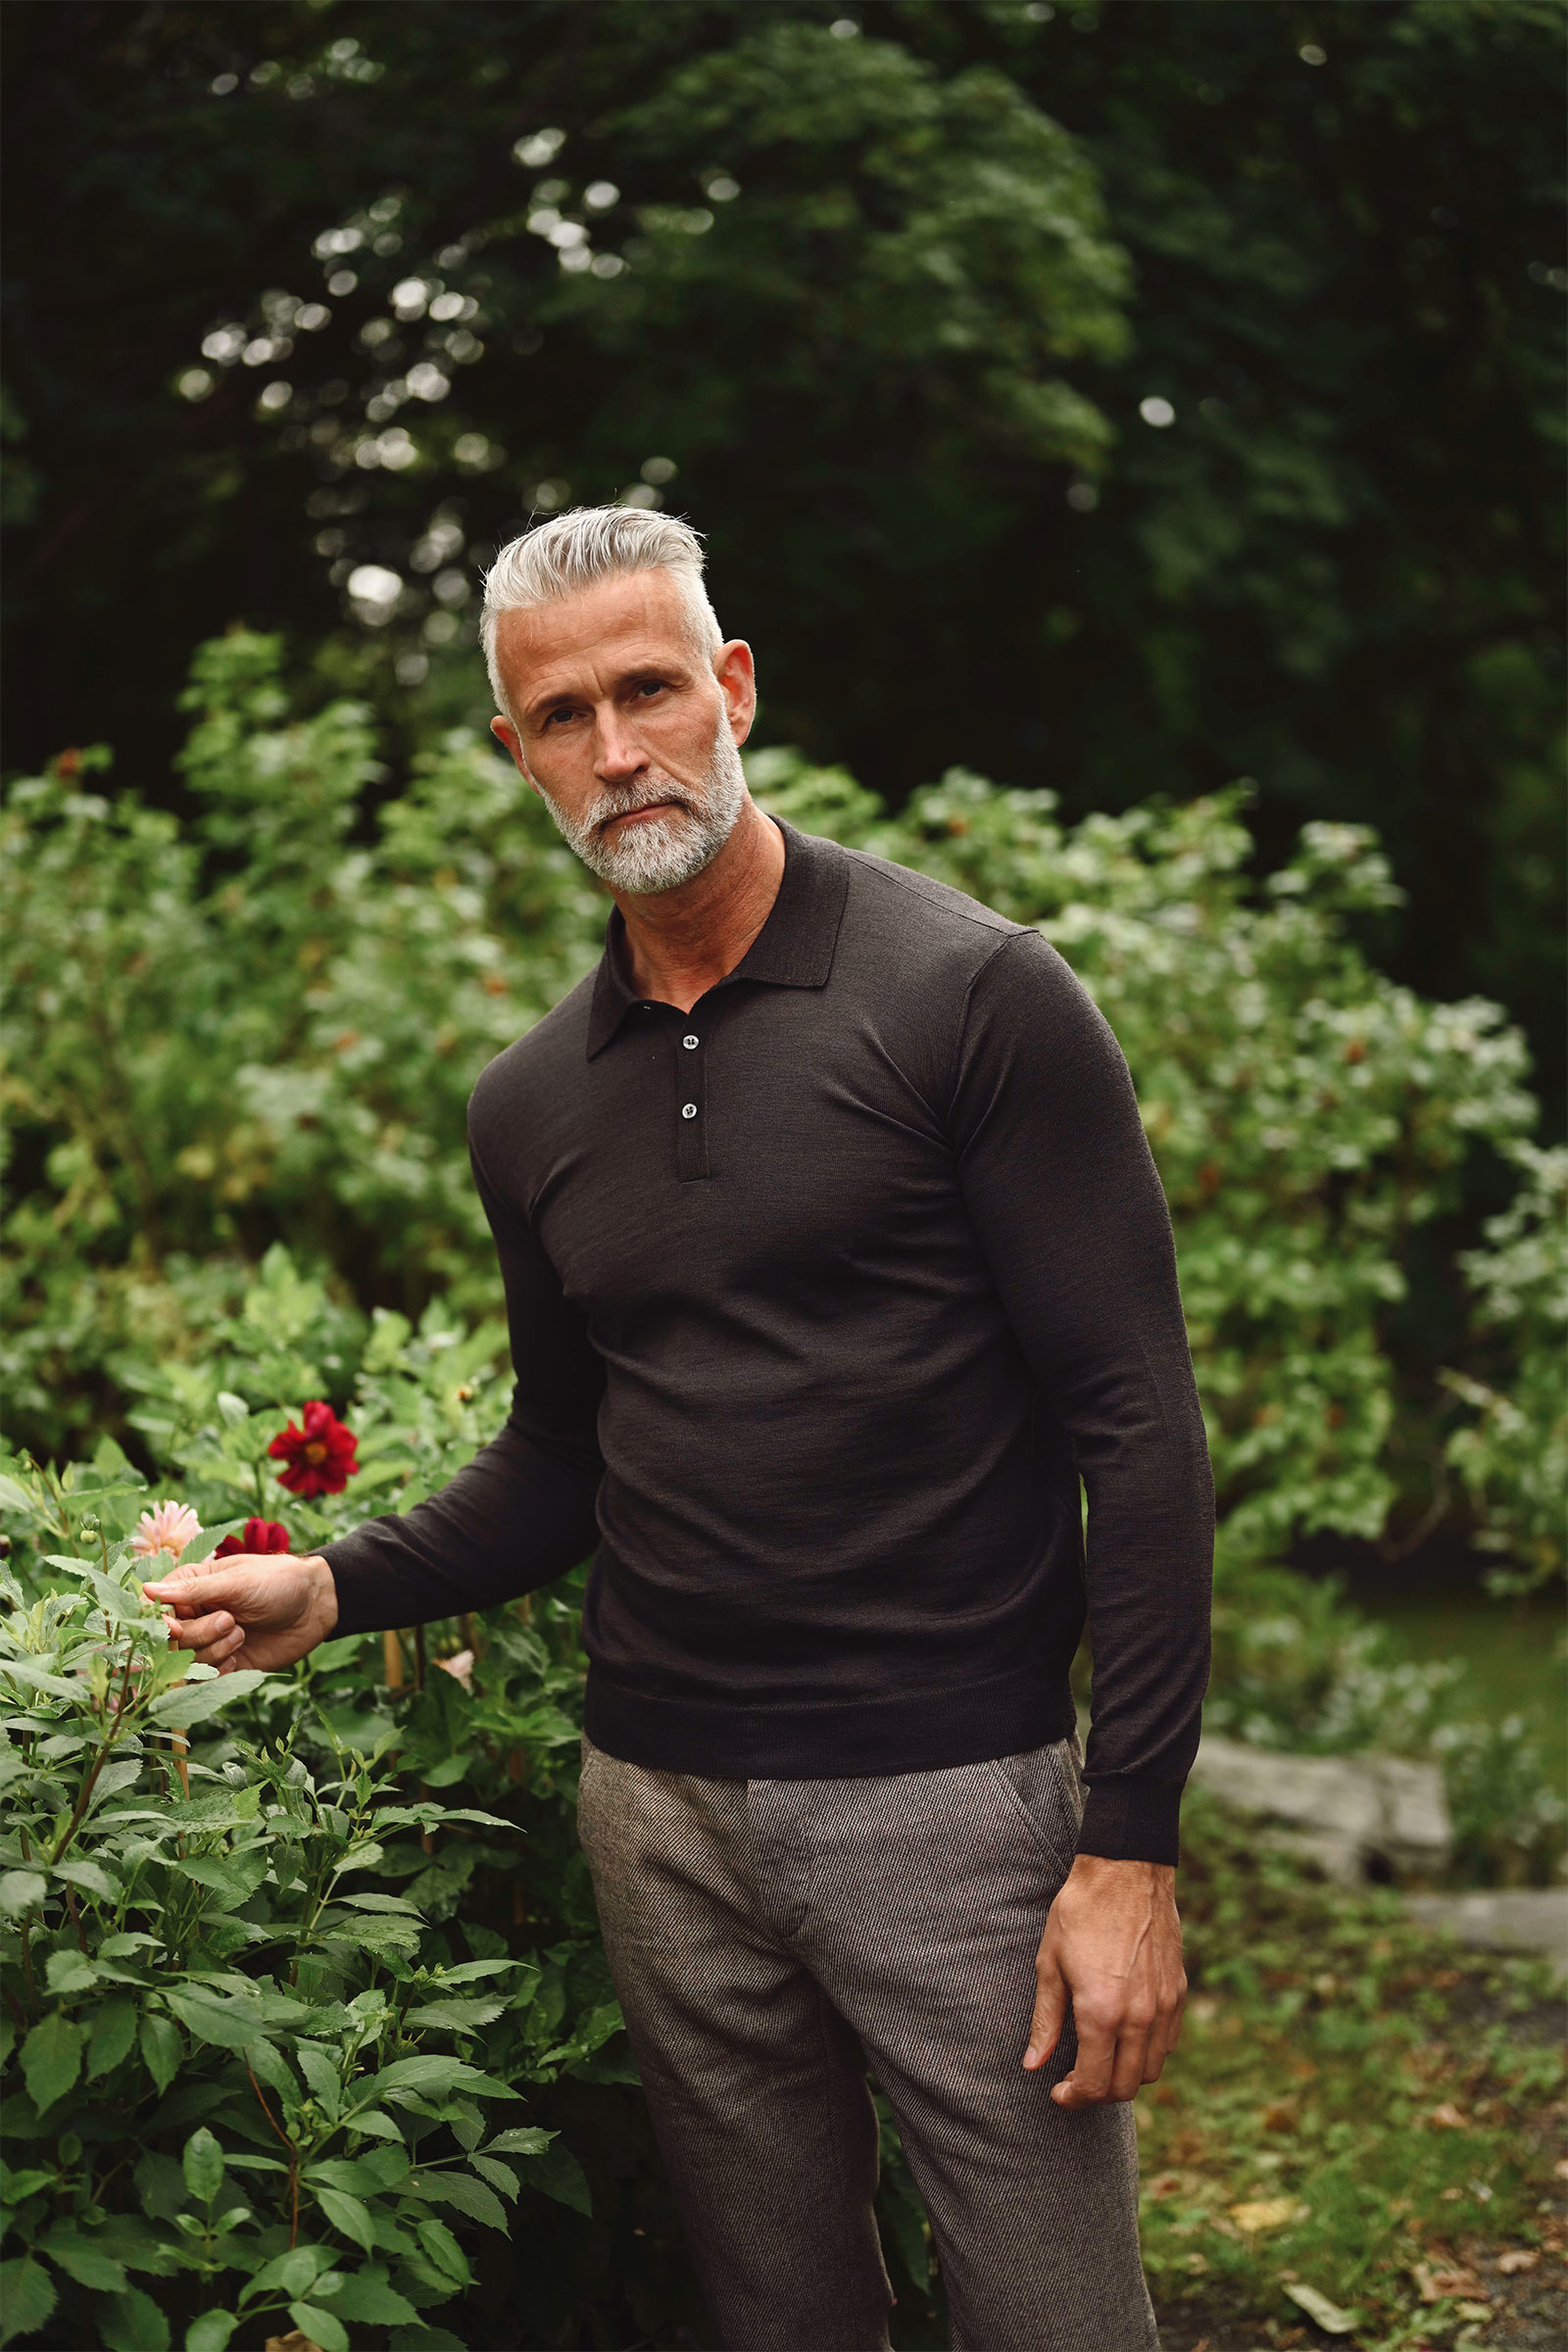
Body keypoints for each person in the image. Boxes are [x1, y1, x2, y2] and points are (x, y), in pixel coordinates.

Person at [143, 506, 1213, 2352]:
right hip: (658, 1815)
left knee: (1057, 2324)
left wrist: (1128, 1849)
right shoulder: (530, 1103)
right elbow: (566, 1452)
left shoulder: (973, 996)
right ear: (517, 752)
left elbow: (1142, 1431)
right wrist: (336, 1585)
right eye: (563, 717)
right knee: (776, 2321)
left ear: (733, 688)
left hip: (950, 1805)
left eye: (648, 690)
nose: (616, 749)